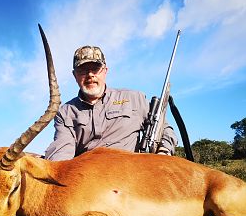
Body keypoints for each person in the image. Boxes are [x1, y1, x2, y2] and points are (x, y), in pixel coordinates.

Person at [45, 46, 177, 161]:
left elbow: (165, 129)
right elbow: (62, 150)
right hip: (89, 179)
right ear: (75, 75)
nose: (90, 75)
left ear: (105, 71)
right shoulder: (65, 112)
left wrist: (163, 153)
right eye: (83, 70)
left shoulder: (134, 98)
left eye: (95, 69)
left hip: (133, 175)